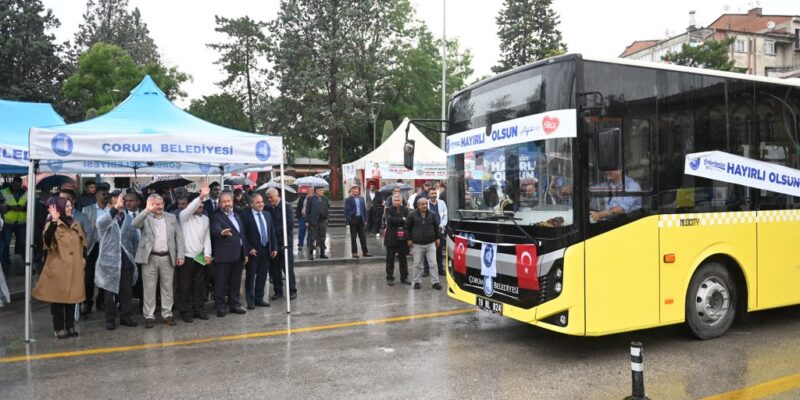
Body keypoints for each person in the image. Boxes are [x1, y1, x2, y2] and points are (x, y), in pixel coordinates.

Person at [33, 197, 86, 339]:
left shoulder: (76, 224)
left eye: (71, 206)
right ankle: (58, 328)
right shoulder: (52, 224)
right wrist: (55, 222)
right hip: (58, 268)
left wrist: (82, 262)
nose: (69, 208)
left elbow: (83, 245)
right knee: (58, 300)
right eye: (67, 206)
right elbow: (47, 241)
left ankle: (70, 326)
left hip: (74, 267)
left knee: (72, 298)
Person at [132, 194, 185, 329]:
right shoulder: (146, 217)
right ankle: (149, 316)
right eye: (156, 204)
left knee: (167, 287)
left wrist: (180, 255)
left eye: (161, 203)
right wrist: (146, 210)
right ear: (150, 205)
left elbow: (178, 237)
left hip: (167, 257)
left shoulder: (171, 217)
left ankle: (167, 314)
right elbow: (134, 224)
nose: (160, 206)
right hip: (150, 258)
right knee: (149, 288)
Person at [96, 191, 140, 330]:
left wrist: (136, 257)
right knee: (109, 293)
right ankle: (110, 318)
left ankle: (126, 316)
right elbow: (100, 224)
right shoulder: (106, 218)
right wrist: (115, 209)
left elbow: (134, 239)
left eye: (122, 202)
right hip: (110, 263)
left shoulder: (128, 218)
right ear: (110, 204)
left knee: (126, 291)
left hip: (126, 261)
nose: (121, 204)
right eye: (117, 202)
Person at [210, 192, 248, 317]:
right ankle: (221, 306)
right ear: (220, 203)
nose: (227, 204)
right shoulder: (216, 216)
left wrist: (245, 253)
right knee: (221, 283)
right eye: (224, 201)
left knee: (235, 282)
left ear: (232, 201)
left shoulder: (237, 215)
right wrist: (221, 232)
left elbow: (242, 235)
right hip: (224, 256)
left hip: (238, 255)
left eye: (229, 201)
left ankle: (234, 304)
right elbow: (214, 229)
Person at [178, 188, 212, 322]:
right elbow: (191, 207)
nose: (201, 206)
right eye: (198, 204)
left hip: (200, 256)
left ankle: (199, 309)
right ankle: (185, 311)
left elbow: (207, 238)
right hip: (186, 256)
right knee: (185, 286)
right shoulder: (184, 216)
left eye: (202, 204)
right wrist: (201, 197)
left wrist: (208, 254)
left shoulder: (205, 219)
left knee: (199, 285)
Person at [240, 193, 277, 309]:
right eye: (258, 202)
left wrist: (274, 247)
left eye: (262, 202)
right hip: (253, 251)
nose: (261, 204)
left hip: (266, 250)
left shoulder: (267, 214)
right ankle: (250, 301)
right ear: (251, 204)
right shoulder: (245, 216)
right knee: (251, 277)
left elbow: (272, 232)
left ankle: (259, 298)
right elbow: (243, 235)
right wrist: (249, 248)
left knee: (262, 276)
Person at [81, 182, 110, 315]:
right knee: (89, 276)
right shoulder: (87, 210)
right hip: (93, 247)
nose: (106, 196)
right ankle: (87, 303)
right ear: (96, 195)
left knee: (105, 275)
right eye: (103, 194)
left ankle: (101, 301)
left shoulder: (111, 209)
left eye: (107, 194)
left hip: (107, 247)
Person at [265, 188, 297, 300]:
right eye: (268, 198)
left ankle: (292, 290)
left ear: (277, 195)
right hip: (273, 244)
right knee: (274, 269)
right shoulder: (267, 208)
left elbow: (289, 224)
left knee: (287, 267)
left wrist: (273, 232)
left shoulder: (286, 206)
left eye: (271, 197)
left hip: (285, 242)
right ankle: (278, 291)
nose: (269, 200)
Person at [405, 197, 442, 290]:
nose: (425, 205)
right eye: (423, 204)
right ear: (418, 205)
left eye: (426, 204)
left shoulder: (432, 214)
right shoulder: (412, 215)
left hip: (430, 243)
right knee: (417, 264)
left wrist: (437, 238)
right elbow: (407, 228)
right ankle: (417, 281)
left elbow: (436, 227)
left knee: (433, 264)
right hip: (417, 244)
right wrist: (409, 239)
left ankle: (435, 282)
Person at [1, 176, 27, 273]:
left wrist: (21, 208)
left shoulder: (25, 193)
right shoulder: (5, 192)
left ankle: (26, 262)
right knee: (6, 244)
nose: (15, 186)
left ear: (20, 184)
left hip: (21, 222)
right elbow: (1, 205)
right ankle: (5, 262)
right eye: (14, 184)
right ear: (12, 183)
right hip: (8, 222)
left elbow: (29, 206)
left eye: (18, 184)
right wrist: (10, 207)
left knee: (23, 243)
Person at [384, 194, 410, 286]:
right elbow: (390, 220)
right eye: (395, 200)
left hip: (402, 238)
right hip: (391, 237)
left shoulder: (406, 210)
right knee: (390, 259)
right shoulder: (388, 210)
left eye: (398, 200)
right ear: (392, 201)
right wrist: (402, 219)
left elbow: (408, 221)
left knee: (403, 259)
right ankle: (389, 278)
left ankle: (404, 277)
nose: (397, 202)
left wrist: (402, 220)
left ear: (401, 201)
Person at [425, 187, 448, 277]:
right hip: (428, 231)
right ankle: (426, 270)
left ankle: (440, 269)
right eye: (432, 193)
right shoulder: (425, 203)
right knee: (427, 251)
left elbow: (445, 216)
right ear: (428, 194)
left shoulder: (442, 203)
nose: (434, 195)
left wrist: (441, 225)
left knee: (439, 251)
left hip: (439, 230)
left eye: (435, 193)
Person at [344, 185, 372, 258]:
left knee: (363, 237)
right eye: (353, 189)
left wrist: (365, 219)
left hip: (361, 219)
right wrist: (348, 221)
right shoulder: (348, 199)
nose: (355, 190)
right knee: (353, 237)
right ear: (351, 191)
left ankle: (365, 252)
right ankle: (354, 252)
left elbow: (364, 210)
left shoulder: (362, 199)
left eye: (356, 189)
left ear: (359, 190)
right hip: (353, 219)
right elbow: (346, 211)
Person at [304, 186, 329, 260]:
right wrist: (307, 221)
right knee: (312, 238)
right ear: (316, 191)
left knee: (322, 237)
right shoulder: (311, 198)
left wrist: (327, 218)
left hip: (323, 221)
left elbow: (327, 208)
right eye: (320, 190)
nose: (322, 191)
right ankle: (311, 253)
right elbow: (307, 211)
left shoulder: (325, 199)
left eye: (322, 190)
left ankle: (322, 253)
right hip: (313, 221)